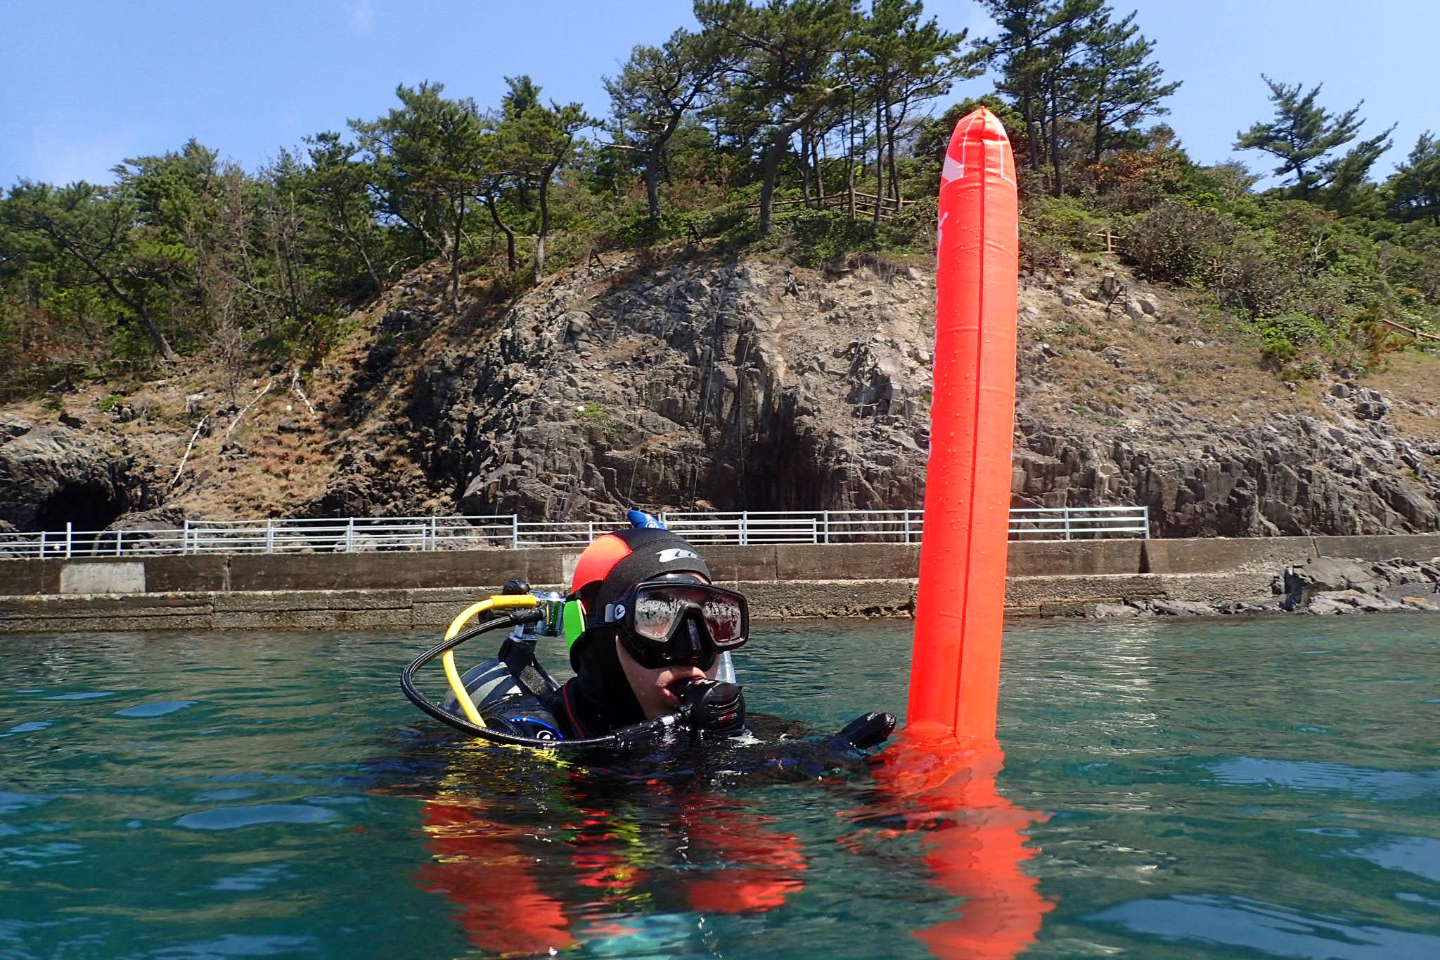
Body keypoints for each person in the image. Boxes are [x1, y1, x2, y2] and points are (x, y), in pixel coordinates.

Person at [451, 519, 749, 741]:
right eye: (654, 614)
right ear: (594, 630)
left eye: (715, 618)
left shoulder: (739, 733)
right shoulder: (522, 741)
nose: (693, 648)